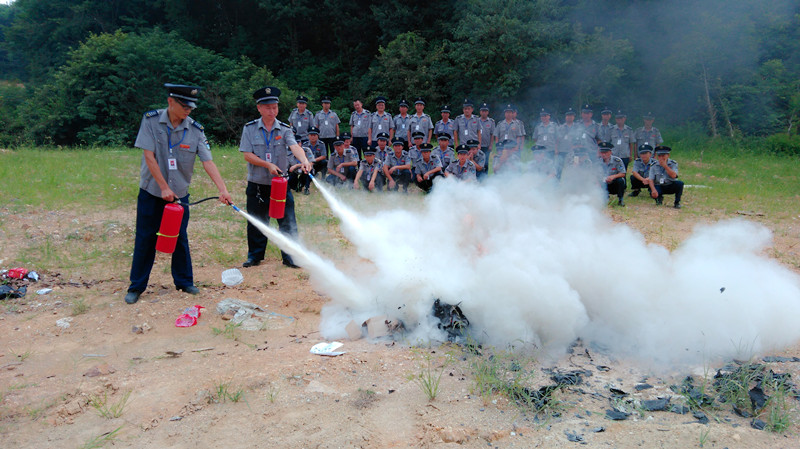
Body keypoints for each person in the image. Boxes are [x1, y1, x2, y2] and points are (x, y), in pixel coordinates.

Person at [124, 83, 233, 304]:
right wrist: (164, 187)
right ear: (170, 102)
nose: (188, 110)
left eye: (191, 107)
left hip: (180, 195)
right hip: (152, 192)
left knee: (180, 237)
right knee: (145, 238)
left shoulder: (195, 130)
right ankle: (136, 286)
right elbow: (149, 157)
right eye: (184, 106)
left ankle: (184, 282)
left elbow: (208, 161)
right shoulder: (151, 121)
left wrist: (223, 189)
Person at [239, 86, 312, 270]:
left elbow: (294, 147)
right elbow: (247, 154)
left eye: (275, 107)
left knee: (287, 221)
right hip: (258, 184)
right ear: (259, 108)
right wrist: (267, 165)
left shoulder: (285, 129)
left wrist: (304, 160)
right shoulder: (250, 129)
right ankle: (255, 256)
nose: (272, 111)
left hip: (280, 184)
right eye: (268, 108)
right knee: (257, 221)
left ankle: (290, 257)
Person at [597, 141, 626, 206]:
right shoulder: (598, 162)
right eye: (602, 152)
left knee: (621, 180)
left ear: (610, 152)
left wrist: (613, 176)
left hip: (614, 183)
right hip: (603, 184)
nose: (603, 154)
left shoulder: (617, 160)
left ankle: (620, 199)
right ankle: (603, 198)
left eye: (605, 152)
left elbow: (623, 173)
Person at [477, 102, 495, 169]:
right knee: (477, 161)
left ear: (488, 112)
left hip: (486, 146)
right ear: (480, 112)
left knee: (486, 162)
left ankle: (485, 175)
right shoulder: (476, 120)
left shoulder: (491, 121)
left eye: (485, 111)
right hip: (477, 146)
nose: (484, 113)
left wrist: (491, 145)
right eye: (482, 111)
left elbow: (492, 134)